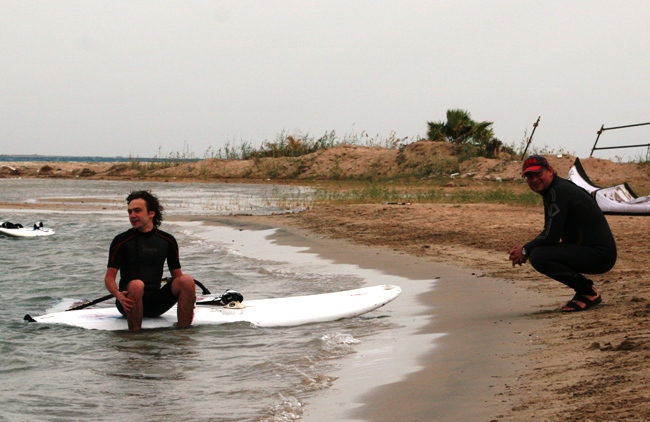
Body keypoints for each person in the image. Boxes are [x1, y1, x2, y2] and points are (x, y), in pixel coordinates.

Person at [509, 155, 617, 312]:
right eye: (529, 176)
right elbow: (553, 233)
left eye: (538, 174)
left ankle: (587, 292)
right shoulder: (556, 190)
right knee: (541, 252)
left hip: (600, 255)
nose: (534, 180)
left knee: (539, 256)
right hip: (595, 252)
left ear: (550, 171)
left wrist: (525, 250)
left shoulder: (557, 192)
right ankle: (585, 291)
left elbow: (550, 236)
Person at [104, 190, 196, 331]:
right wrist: (119, 296)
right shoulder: (121, 241)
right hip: (128, 302)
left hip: (156, 303)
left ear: (151, 213)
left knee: (187, 280)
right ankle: (135, 340)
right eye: (130, 212)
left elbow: (178, 277)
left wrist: (189, 300)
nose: (132, 216)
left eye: (137, 211)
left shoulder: (167, 240)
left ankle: (184, 336)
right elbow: (109, 278)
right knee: (136, 284)